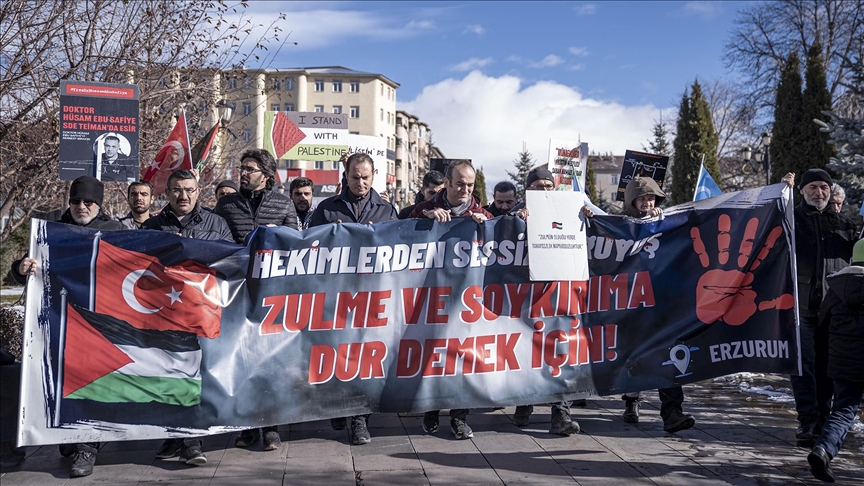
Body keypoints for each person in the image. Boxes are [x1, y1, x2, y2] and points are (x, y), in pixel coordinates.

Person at [9, 176, 122, 478]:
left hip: (98, 322)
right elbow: (23, 266)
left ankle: (87, 445)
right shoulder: (48, 229)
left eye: (88, 202)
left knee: (93, 382)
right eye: (76, 202)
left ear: (99, 204)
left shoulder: (116, 232)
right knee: (60, 382)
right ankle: (66, 436)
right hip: (57, 321)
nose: (81, 207)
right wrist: (21, 268)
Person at [584, 177, 696, 433]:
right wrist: (589, 218)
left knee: (667, 355)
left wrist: (660, 223)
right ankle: (631, 401)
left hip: (657, 303)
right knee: (631, 357)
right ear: (631, 201)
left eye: (652, 198)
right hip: (625, 304)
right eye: (643, 198)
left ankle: (672, 412)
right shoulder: (616, 225)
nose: (648, 203)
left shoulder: (663, 222)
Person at [143, 170, 232, 465]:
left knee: (197, 373)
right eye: (178, 190)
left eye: (189, 190)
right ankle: (175, 435)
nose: (184, 196)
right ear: (167, 193)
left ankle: (192, 442)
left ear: (198, 192)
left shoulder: (216, 223)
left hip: (202, 311)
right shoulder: (154, 225)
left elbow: (231, 261)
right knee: (171, 374)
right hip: (166, 313)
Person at [309, 153, 396, 445]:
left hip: (371, 297)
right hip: (336, 296)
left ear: (374, 176)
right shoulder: (325, 208)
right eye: (355, 177)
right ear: (345, 176)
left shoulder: (386, 209)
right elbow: (310, 248)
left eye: (366, 177)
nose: (360, 183)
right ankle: (336, 406)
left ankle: (360, 419)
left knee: (364, 358)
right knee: (337, 353)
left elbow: (398, 253)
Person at [409, 160, 491, 440]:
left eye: (470, 185)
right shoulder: (425, 208)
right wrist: (426, 220)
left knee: (462, 357)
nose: (465, 190)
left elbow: (499, 245)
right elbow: (401, 235)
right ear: (447, 182)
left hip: (465, 299)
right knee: (432, 354)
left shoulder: (480, 213)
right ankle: (431, 410)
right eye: (460, 184)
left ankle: (459, 418)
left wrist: (485, 227)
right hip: (431, 296)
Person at [509, 167, 583, 436]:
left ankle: (560, 414)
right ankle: (523, 403)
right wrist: (515, 223)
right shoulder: (516, 213)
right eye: (537, 186)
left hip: (558, 292)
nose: (543, 190)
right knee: (528, 350)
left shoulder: (568, 211)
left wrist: (587, 218)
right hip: (526, 296)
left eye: (548, 186)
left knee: (558, 350)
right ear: (528, 189)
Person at [787, 169, 857, 441]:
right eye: (813, 187)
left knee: (828, 365)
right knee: (803, 364)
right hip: (800, 308)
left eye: (824, 187)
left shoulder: (845, 226)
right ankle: (807, 419)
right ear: (802, 191)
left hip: (835, 309)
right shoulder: (790, 221)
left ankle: (824, 418)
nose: (819, 192)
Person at [807, 239, 864, 483]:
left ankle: (823, 449)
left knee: (843, 409)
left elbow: (823, 322)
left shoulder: (837, 285)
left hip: (842, 362)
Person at [215, 149, 298, 246]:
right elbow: (215, 238)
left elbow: (293, 242)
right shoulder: (225, 203)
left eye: (250, 169)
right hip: (236, 259)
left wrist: (278, 233)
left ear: (265, 176)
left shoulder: (285, 205)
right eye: (242, 168)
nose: (243, 173)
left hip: (268, 260)